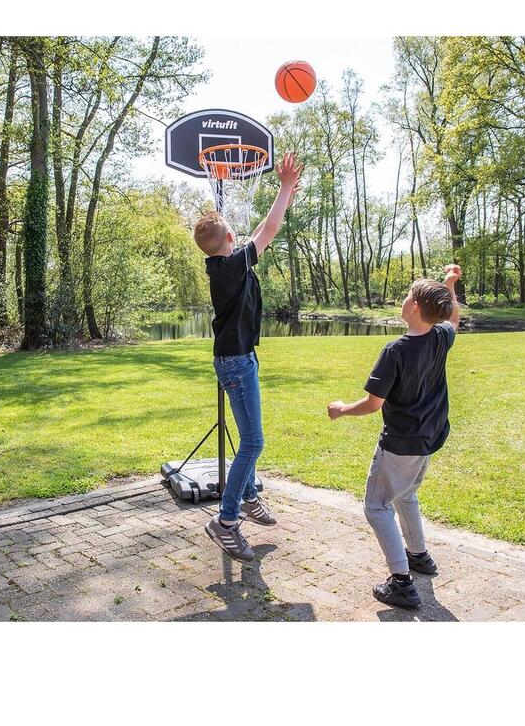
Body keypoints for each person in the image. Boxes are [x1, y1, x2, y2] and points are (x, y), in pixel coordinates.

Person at [326, 264, 462, 608]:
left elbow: (373, 404)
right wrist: (449, 285)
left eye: (407, 296)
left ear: (414, 307)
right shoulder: (439, 337)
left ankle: (401, 581)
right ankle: (419, 556)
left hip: (400, 444)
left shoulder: (395, 352)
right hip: (428, 439)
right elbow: (454, 319)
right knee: (406, 496)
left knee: (376, 505)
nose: (403, 300)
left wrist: (341, 409)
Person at [192, 151, 303, 562]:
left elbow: (260, 229)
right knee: (253, 441)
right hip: (236, 363)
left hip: (240, 359)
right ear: (228, 243)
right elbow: (269, 230)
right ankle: (225, 522)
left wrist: (286, 195)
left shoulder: (225, 265)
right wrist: (285, 187)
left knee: (249, 440)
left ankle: (250, 496)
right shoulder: (232, 266)